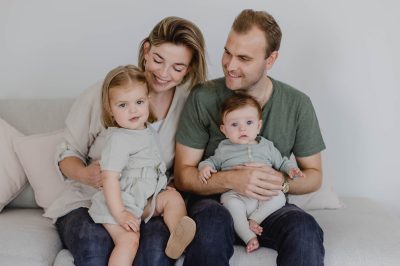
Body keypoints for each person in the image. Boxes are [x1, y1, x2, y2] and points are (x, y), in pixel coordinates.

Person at [44, 16, 207, 266]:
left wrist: (168, 184)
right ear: (146, 51)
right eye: (158, 60)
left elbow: (186, 162)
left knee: (154, 254)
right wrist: (86, 174)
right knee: (94, 247)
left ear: (189, 68)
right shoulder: (108, 94)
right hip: (90, 200)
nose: (164, 74)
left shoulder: (188, 106)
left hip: (143, 201)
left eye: (177, 67)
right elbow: (67, 153)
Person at [174, 9, 325, 266]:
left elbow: (314, 175)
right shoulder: (203, 96)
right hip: (216, 205)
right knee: (210, 226)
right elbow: (183, 176)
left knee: (305, 231)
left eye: (243, 58)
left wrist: (280, 183)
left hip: (267, 206)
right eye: (228, 53)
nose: (230, 65)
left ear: (270, 59)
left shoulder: (297, 104)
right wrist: (232, 179)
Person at [87, 65, 196, 265]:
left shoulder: (147, 131)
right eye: (122, 105)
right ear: (110, 110)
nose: (133, 110)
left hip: (144, 199)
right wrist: (120, 213)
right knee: (129, 241)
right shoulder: (118, 139)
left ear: (148, 100)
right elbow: (109, 177)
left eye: (139, 102)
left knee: (173, 198)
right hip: (121, 201)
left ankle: (177, 236)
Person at [198, 93, 304, 253]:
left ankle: (255, 220)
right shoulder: (223, 148)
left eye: (249, 122)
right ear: (224, 129)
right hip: (236, 195)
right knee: (231, 207)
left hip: (264, 195)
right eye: (234, 124)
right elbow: (211, 161)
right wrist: (204, 167)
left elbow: (282, 162)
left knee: (280, 197)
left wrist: (291, 169)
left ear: (258, 126)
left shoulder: (267, 146)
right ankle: (249, 237)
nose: (242, 128)